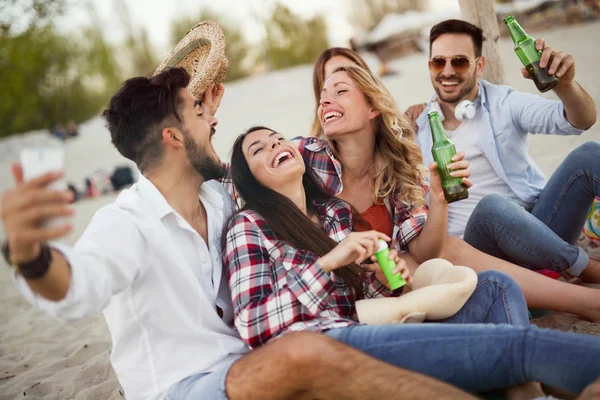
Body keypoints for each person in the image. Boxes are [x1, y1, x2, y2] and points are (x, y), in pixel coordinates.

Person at [0, 67, 478, 400]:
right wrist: (30, 254)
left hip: (251, 365)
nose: (214, 119)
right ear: (172, 137)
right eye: (199, 114)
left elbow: (289, 172)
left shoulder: (220, 197)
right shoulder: (124, 223)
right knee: (312, 353)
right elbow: (79, 286)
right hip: (187, 386)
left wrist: (400, 149)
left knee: (478, 299)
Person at [224, 125, 600, 397]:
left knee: (495, 287)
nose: (273, 143)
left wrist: (391, 282)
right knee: (521, 346)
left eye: (276, 137)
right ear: (249, 180)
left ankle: (523, 390)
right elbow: (253, 324)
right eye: (258, 149)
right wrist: (327, 264)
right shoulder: (249, 226)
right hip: (333, 345)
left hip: (367, 324)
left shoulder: (333, 213)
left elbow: (363, 295)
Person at [302, 54, 600, 321]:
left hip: (439, 271)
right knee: (442, 250)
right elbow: (263, 161)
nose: (326, 101)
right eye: (322, 94)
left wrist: (439, 199)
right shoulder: (306, 159)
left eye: (341, 91)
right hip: (365, 296)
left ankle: (580, 297)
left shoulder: (400, 169)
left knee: (452, 243)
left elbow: (426, 250)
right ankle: (581, 291)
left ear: (372, 107)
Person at [407, 19, 600, 284]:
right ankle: (582, 266)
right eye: (438, 62)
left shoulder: (504, 102)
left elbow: (581, 120)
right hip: (477, 252)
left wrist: (565, 86)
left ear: (480, 66)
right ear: (430, 66)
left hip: (539, 230)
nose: (447, 71)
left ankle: (561, 262)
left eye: (460, 62)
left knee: (589, 155)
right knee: (492, 208)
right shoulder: (415, 127)